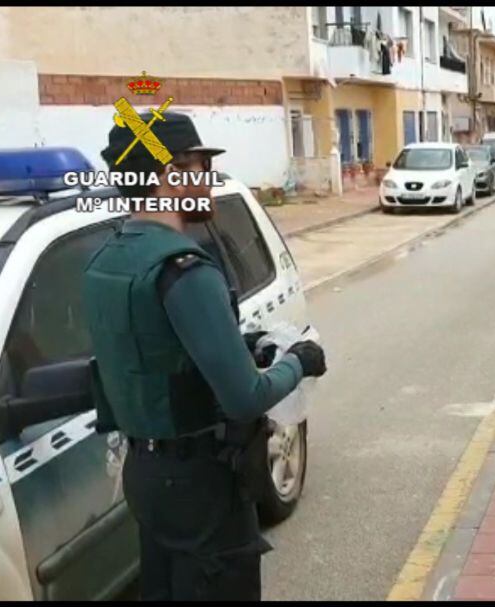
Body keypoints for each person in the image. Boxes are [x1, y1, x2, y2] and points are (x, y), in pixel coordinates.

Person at [82, 111, 327, 600]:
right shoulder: (185, 269)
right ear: (171, 177)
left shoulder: (105, 261)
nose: (209, 183)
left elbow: (156, 350)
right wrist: (300, 361)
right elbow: (244, 397)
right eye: (200, 169)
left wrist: (242, 344)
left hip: (146, 476)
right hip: (201, 486)